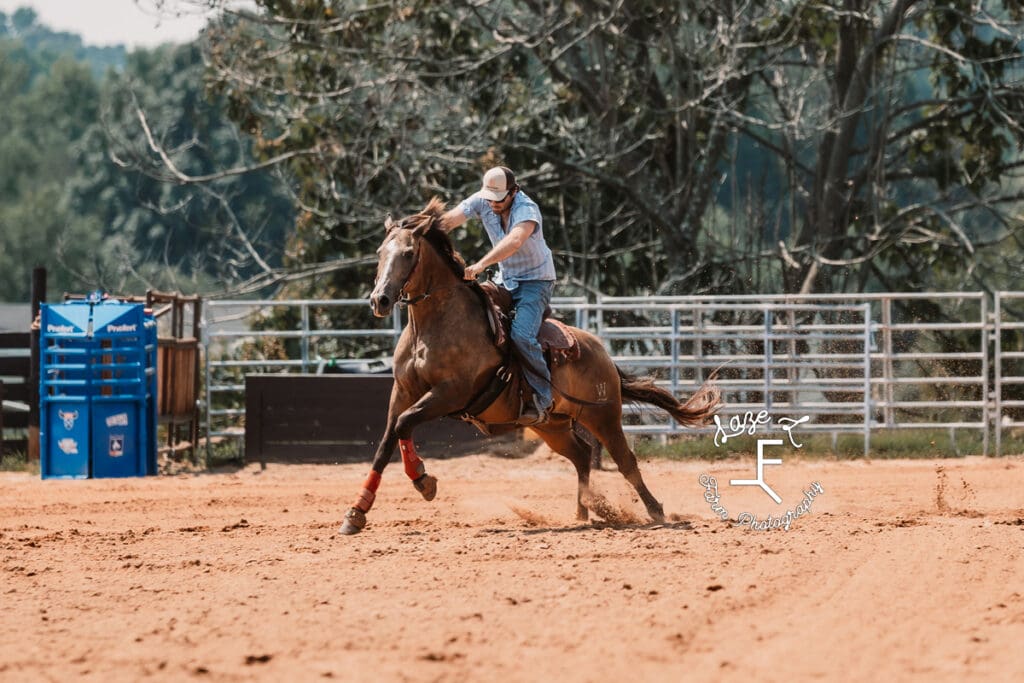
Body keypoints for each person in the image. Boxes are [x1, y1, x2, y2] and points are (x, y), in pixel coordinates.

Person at [441, 166, 557, 425]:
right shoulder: (484, 200)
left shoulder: (527, 209)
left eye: (499, 199)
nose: (493, 204)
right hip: (506, 279)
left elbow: (515, 241)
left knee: (522, 335)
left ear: (514, 192)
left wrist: (481, 264)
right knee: (471, 312)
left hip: (535, 282)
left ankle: (544, 395)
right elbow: (449, 220)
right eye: (489, 198)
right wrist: (417, 231)